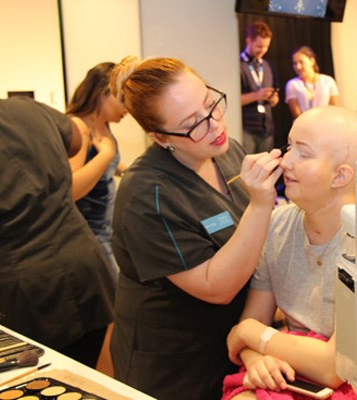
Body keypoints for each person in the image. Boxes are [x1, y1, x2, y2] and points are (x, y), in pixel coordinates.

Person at [108, 56, 284, 400]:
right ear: (160, 137)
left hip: (231, 343)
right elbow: (216, 286)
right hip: (174, 364)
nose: (215, 124)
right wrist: (262, 204)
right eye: (194, 123)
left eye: (211, 104)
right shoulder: (148, 194)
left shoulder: (226, 151)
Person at [222, 106, 357, 399]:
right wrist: (258, 361)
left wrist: (250, 336)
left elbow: (334, 367)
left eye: (303, 154)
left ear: (340, 176)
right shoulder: (278, 223)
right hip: (289, 368)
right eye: (289, 146)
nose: (286, 162)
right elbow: (251, 321)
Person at [0, 65, 114, 368]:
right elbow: (76, 138)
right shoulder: (26, 111)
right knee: (82, 378)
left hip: (11, 297)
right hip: (84, 275)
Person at [67, 62, 127, 283]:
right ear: (104, 93)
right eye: (122, 99)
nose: (127, 108)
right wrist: (106, 155)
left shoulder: (103, 127)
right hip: (90, 235)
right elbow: (71, 188)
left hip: (107, 230)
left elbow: (106, 169)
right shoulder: (80, 127)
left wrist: (125, 170)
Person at [240, 20, 280, 153]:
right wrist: (256, 96)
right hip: (246, 128)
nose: (262, 50)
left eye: (266, 47)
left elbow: (276, 99)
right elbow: (234, 99)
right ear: (249, 41)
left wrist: (273, 98)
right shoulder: (237, 65)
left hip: (267, 128)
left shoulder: (267, 66)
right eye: (259, 46)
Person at [285, 45, 339, 119]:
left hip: (326, 124)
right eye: (295, 63)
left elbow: (334, 109)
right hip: (304, 126)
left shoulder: (328, 81)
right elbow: (297, 114)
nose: (298, 67)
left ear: (312, 61)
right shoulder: (293, 84)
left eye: (301, 62)